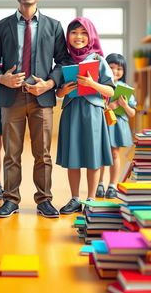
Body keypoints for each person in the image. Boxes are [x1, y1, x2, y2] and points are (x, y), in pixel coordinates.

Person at [0, 0, 69, 218]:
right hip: (11, 98)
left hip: (42, 98)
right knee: (12, 153)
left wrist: (50, 83)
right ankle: (10, 200)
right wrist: (1, 78)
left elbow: (63, 61)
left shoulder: (54, 26)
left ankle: (44, 200)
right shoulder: (2, 26)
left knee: (42, 154)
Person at [56, 17, 115, 214]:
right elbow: (58, 93)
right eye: (74, 32)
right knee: (73, 156)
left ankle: (90, 200)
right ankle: (75, 199)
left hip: (93, 114)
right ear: (68, 36)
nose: (78, 37)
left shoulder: (99, 60)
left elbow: (110, 91)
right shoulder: (64, 61)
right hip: (72, 111)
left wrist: (92, 84)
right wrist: (63, 90)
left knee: (93, 156)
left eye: (83, 33)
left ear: (90, 36)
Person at [96, 53, 136, 199]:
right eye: (111, 67)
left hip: (118, 125)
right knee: (100, 155)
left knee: (114, 154)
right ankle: (99, 183)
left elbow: (132, 113)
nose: (114, 71)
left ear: (124, 71)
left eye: (119, 68)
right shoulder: (101, 86)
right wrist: (110, 106)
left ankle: (112, 185)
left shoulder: (126, 89)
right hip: (103, 123)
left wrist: (124, 105)